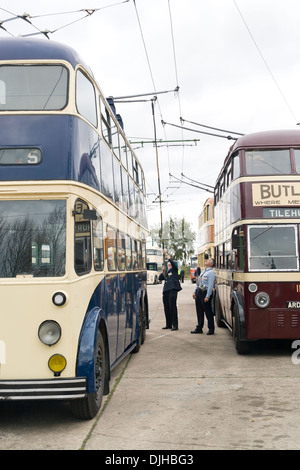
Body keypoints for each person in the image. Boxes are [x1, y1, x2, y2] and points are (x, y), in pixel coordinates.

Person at [191, 258, 216, 335]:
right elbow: (199, 283)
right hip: (199, 292)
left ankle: (211, 329)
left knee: (208, 312)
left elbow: (210, 285)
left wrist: (208, 296)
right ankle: (199, 327)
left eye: (208, 260)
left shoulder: (211, 272)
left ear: (211, 264)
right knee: (199, 311)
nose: (206, 261)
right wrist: (195, 291)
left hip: (205, 293)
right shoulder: (203, 271)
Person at [159, 250, 182, 331]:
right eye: (168, 264)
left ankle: (175, 325)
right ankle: (168, 324)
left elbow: (172, 262)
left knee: (172, 307)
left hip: (173, 290)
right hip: (166, 291)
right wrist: (163, 271)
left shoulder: (175, 270)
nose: (169, 265)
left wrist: (167, 255)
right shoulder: (167, 271)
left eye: (170, 264)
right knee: (166, 308)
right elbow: (160, 278)